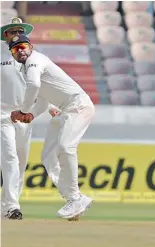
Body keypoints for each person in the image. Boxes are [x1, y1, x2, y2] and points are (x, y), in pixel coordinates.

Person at [8, 34, 94, 220]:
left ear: (31, 47)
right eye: (15, 49)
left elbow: (33, 85)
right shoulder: (25, 69)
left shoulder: (35, 60)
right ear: (12, 54)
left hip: (78, 105)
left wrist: (22, 110)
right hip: (64, 110)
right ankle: (73, 198)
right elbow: (43, 98)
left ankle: (76, 198)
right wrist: (31, 114)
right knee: (48, 156)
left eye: (23, 46)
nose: (20, 50)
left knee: (65, 147)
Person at [0, 17, 58, 220]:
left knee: (21, 160)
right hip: (2, 115)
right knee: (9, 158)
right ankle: (12, 206)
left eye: (19, 29)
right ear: (4, 34)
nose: (16, 33)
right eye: (12, 30)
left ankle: (8, 204)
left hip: (24, 115)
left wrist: (50, 105)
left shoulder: (30, 55)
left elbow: (38, 84)